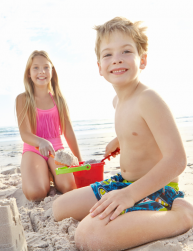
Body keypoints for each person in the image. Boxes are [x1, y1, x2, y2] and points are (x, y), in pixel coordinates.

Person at [52, 17, 193, 250]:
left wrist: (130, 195)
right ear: (99, 66)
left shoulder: (149, 99)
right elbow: (140, 129)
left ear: (143, 60)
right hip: (124, 184)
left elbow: (177, 160)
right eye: (107, 54)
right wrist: (120, 140)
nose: (116, 58)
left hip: (154, 189)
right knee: (60, 208)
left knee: (90, 237)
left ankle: (182, 216)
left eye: (126, 51)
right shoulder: (118, 100)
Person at [16, 50, 82, 201]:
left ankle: (52, 173)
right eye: (36, 68)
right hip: (34, 149)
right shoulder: (22, 99)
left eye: (46, 67)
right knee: (36, 193)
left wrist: (79, 160)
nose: (42, 72)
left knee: (70, 187)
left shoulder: (59, 99)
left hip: (57, 150)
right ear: (29, 73)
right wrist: (41, 141)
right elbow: (25, 134)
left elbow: (68, 132)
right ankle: (43, 173)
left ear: (52, 71)